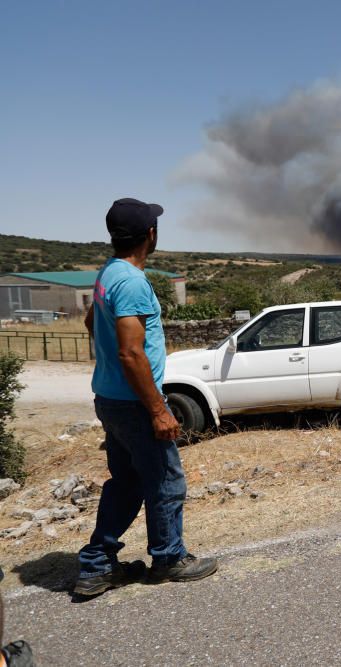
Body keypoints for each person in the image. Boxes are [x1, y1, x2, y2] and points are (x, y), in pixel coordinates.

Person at [75, 198, 218, 597]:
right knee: (167, 480)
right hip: (135, 404)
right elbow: (131, 352)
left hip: (110, 397)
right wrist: (158, 409)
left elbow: (92, 323)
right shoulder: (134, 282)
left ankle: (97, 565)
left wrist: (111, 364)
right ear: (150, 235)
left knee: (127, 482)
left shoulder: (108, 273)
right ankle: (169, 558)